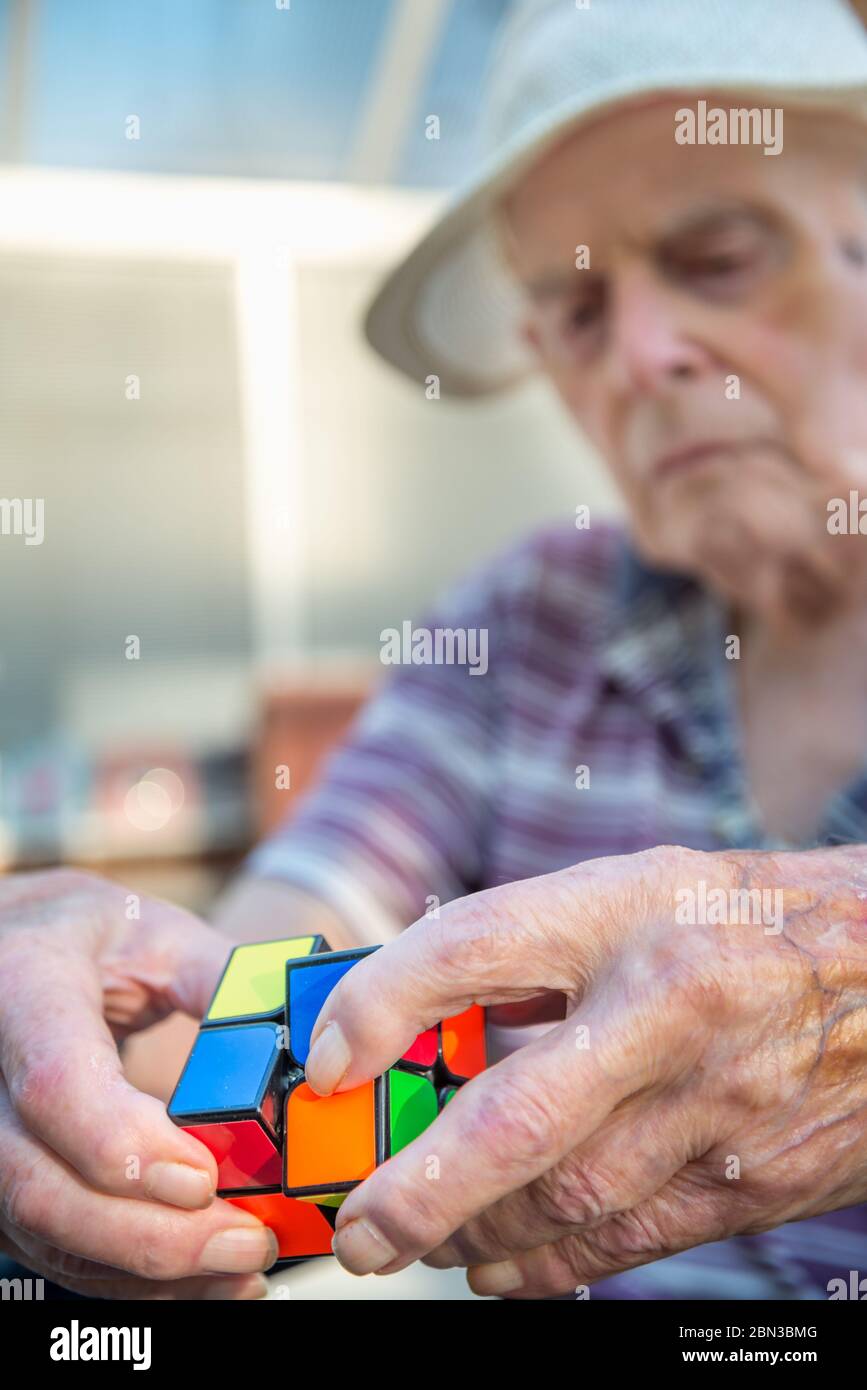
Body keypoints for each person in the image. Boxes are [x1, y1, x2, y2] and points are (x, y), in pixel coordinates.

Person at [2, 0, 867, 1300]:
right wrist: (90, 1035)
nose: (639, 355)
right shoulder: (523, 622)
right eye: (576, 309)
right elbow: (274, 954)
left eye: (720, 255)